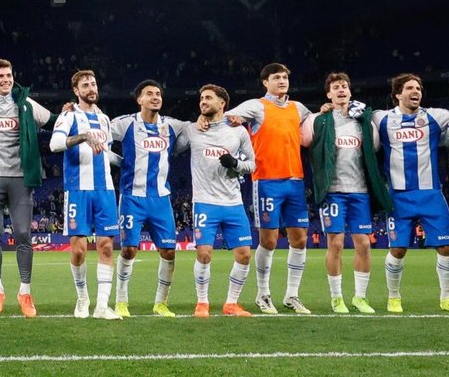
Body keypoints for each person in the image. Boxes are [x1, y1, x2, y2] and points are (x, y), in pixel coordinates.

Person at [222, 63, 314, 314]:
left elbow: (314, 125)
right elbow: (228, 116)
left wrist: (325, 110)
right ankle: (263, 294)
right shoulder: (256, 106)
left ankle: (292, 295)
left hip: (295, 180)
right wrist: (235, 119)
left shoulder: (299, 108)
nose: (282, 81)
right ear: (265, 82)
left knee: (300, 239)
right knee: (269, 240)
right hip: (266, 181)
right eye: (276, 77)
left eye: (285, 77)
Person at [0, 59, 53, 316]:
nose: (6, 79)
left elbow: (55, 121)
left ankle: (25, 292)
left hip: (20, 178)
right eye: (0, 75)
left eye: (9, 74)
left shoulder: (26, 104)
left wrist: (73, 112)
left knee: (24, 235)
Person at [373, 74, 449, 314]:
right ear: (397, 95)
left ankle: (446, 298)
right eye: (410, 88)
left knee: (446, 248)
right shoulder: (381, 118)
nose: (416, 92)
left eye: (418, 88)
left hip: (431, 194)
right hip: (398, 196)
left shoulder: (434, 115)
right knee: (398, 249)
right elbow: (355, 115)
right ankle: (394, 297)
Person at [301, 72, 391, 314]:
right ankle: (336, 297)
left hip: (360, 191)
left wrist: (365, 117)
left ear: (350, 92)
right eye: (336, 87)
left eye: (344, 86)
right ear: (328, 94)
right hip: (333, 192)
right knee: (337, 244)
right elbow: (302, 141)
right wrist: (319, 112)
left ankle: (360, 297)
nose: (341, 90)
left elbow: (373, 148)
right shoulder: (318, 120)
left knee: (363, 244)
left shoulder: (363, 121)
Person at [110, 81, 191, 318]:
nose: (155, 97)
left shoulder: (173, 125)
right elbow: (101, 135)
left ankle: (161, 303)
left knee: (168, 252)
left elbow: (194, 128)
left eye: (158, 94)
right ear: (139, 100)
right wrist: (118, 160)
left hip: (161, 199)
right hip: (132, 197)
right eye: (149, 94)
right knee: (129, 250)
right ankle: (121, 301)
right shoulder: (125, 124)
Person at [51, 69, 121, 320]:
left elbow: (107, 153)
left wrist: (128, 164)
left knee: (106, 246)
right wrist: (83, 137)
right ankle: (82, 298)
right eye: (85, 85)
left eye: (93, 83)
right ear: (76, 91)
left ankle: (102, 306)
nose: (91, 88)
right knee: (79, 250)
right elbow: (54, 144)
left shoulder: (104, 119)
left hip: (105, 191)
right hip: (78, 189)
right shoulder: (69, 115)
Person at [185, 84, 257, 317]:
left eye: (208, 98)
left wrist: (236, 164)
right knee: (204, 253)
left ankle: (231, 304)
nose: (203, 102)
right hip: (205, 201)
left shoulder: (238, 131)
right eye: (201, 98)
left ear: (222, 103)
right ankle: (202, 302)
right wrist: (198, 120)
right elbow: (173, 146)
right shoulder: (192, 129)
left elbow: (252, 165)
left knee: (245, 254)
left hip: (233, 202)